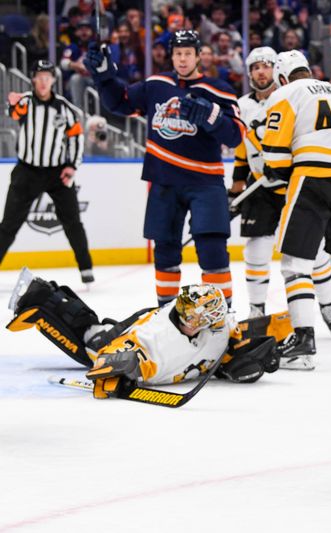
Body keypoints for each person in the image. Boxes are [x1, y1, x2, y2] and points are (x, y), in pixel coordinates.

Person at [84, 30, 244, 306]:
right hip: (164, 180)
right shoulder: (156, 85)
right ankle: (166, 313)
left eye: (188, 54)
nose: (182, 59)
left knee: (212, 250)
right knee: (166, 251)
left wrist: (211, 115)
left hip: (206, 182)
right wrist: (105, 77)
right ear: (171, 56)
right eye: (178, 54)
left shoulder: (219, 89)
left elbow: (236, 136)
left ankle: (222, 314)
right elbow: (119, 103)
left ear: (197, 56)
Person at [259, 51, 331, 370]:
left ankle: (304, 339)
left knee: (296, 265)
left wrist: (275, 170)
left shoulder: (284, 93)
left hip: (313, 178)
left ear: (281, 77)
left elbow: (276, 156)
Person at [8, 275, 280, 399]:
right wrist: (113, 373)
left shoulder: (219, 326)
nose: (186, 317)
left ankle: (44, 294)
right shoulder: (154, 337)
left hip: (145, 321)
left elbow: (241, 335)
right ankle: (37, 298)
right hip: (137, 328)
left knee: (96, 328)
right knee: (91, 342)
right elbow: (108, 357)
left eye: (193, 316)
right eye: (185, 311)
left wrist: (258, 353)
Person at [229, 46, 331, 342]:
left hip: (296, 185)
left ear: (276, 71)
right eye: (255, 67)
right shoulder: (242, 105)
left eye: (266, 66)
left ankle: (329, 307)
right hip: (260, 189)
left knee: (314, 252)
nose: (261, 72)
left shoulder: (294, 97)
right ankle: (256, 310)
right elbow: (242, 153)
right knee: (255, 251)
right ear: (250, 73)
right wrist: (235, 189)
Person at [1, 60, 94, 284]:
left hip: (57, 173)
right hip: (26, 171)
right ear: (33, 79)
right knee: (9, 224)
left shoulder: (64, 108)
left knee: (73, 222)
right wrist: (12, 104)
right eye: (39, 77)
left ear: (53, 80)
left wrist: (72, 166)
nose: (43, 82)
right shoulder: (25, 101)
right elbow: (15, 112)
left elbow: (76, 137)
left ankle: (86, 269)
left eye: (47, 77)